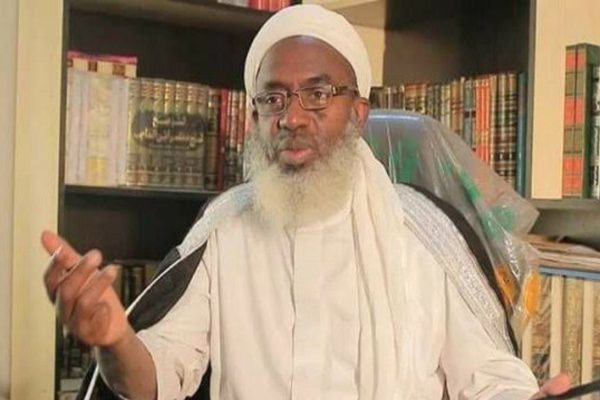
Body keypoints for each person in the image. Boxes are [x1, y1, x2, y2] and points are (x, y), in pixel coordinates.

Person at [42, 4, 571, 400]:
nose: (291, 117)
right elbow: (158, 375)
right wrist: (114, 340)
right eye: (273, 98)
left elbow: (490, 379)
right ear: (255, 117)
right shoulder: (224, 231)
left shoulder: (428, 234)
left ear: (358, 113)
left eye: (318, 94)